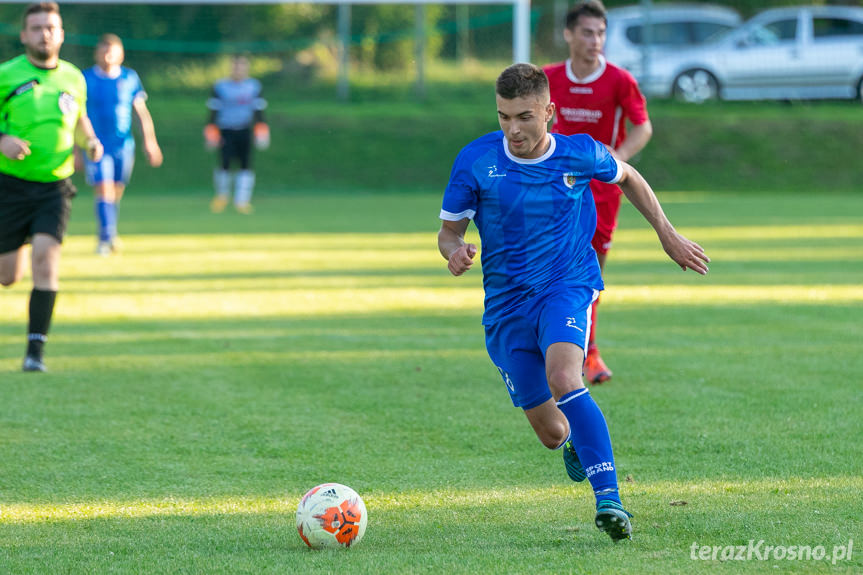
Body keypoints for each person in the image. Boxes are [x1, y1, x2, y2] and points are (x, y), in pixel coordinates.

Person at [438, 63, 708, 541]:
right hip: (505, 308)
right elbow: (448, 231)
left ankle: (611, 502)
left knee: (565, 375)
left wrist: (667, 234)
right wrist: (455, 252)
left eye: (524, 116)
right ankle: (575, 443)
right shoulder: (475, 160)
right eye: (503, 117)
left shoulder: (579, 153)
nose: (513, 129)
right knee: (553, 433)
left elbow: (628, 176)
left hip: (566, 284)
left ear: (550, 111)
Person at [543, 0, 653, 384]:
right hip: (552, 189)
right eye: (588, 32)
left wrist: (618, 159)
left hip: (600, 193)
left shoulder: (620, 80)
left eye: (601, 33)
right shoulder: (548, 77)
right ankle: (550, 348)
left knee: (591, 272)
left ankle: (589, 352)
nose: (596, 41)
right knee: (546, 264)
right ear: (569, 34)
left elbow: (643, 127)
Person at [0, 2, 103, 372]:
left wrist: (90, 141)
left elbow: (80, 119)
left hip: (54, 187)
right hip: (9, 187)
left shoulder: (74, 77)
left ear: (61, 34)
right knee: (8, 277)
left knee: (46, 260)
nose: (45, 33)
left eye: (51, 27)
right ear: (24, 35)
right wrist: (2, 140)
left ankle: (34, 353)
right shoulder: (6, 75)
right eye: (37, 27)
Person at [83, 33, 162, 255]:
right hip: (96, 144)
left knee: (115, 191)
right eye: (103, 50)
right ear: (96, 53)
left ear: (121, 54)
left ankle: (110, 231)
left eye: (112, 50)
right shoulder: (85, 78)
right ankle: (105, 239)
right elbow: (76, 116)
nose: (107, 55)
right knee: (103, 188)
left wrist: (150, 142)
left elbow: (141, 113)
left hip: (123, 146)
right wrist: (75, 149)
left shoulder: (129, 78)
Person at [205, 54, 269, 214]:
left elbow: (259, 111)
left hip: (245, 129)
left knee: (245, 165)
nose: (238, 69)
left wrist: (262, 132)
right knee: (224, 163)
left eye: (242, 66)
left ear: (246, 68)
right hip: (225, 130)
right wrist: (211, 134)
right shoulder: (220, 86)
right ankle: (222, 197)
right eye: (235, 66)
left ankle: (242, 200)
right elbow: (213, 112)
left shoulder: (254, 86)